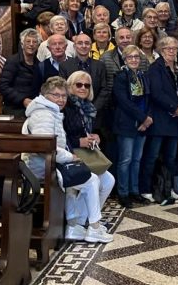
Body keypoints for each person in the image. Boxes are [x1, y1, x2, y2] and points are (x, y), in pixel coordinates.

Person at [23, 77, 113, 243]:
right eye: (56, 95)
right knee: (91, 179)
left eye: (63, 96)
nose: (61, 99)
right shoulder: (44, 115)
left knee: (90, 180)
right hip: (42, 167)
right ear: (45, 95)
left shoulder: (50, 111)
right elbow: (44, 147)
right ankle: (93, 227)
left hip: (51, 162)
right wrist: (70, 157)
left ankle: (74, 226)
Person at [61, 69, 116, 228]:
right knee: (94, 180)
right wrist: (80, 142)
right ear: (70, 86)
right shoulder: (66, 106)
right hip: (70, 155)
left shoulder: (87, 107)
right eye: (79, 84)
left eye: (87, 85)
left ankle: (86, 216)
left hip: (84, 153)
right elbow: (62, 136)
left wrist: (93, 137)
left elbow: (83, 131)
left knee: (108, 180)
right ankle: (80, 220)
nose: (83, 88)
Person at [142, 37, 178, 205]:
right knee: (152, 156)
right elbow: (156, 93)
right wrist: (173, 108)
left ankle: (168, 188)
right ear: (161, 51)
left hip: (176, 120)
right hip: (160, 119)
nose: (171, 51)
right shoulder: (155, 68)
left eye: (174, 48)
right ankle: (146, 189)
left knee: (171, 158)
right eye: (168, 48)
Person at [112, 45, 151, 206]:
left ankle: (135, 191)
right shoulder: (121, 76)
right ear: (125, 59)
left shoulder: (142, 76)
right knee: (125, 160)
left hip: (142, 124)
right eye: (130, 57)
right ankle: (123, 193)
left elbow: (148, 98)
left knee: (137, 160)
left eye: (136, 57)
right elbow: (124, 102)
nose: (134, 60)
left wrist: (146, 119)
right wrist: (143, 118)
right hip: (127, 123)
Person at [59, 32, 109, 123]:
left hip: (96, 116)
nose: (83, 46)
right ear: (74, 46)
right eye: (80, 43)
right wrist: (77, 109)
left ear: (91, 46)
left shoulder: (100, 65)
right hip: (71, 115)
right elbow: (64, 89)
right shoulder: (65, 66)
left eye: (87, 43)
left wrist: (93, 108)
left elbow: (104, 90)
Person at [0, 28, 42, 118]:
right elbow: (3, 86)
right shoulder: (13, 61)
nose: (31, 44)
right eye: (28, 41)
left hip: (32, 109)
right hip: (14, 109)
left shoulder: (39, 64)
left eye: (34, 42)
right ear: (22, 44)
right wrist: (23, 100)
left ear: (38, 45)